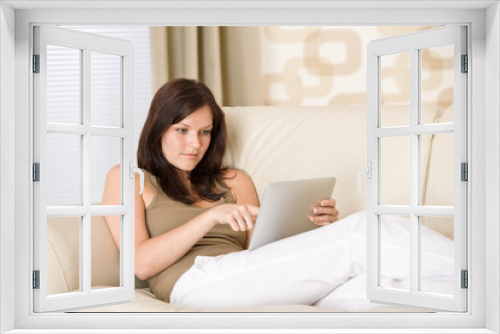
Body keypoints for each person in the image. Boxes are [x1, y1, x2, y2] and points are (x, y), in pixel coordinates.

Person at [102, 78, 360, 309]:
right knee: (361, 230)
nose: (196, 144)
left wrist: (320, 229)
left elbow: (262, 253)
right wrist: (209, 217)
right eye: (182, 130)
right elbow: (141, 265)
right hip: (192, 282)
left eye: (205, 132)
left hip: (244, 277)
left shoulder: (234, 181)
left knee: (371, 287)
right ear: (158, 129)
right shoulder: (129, 178)